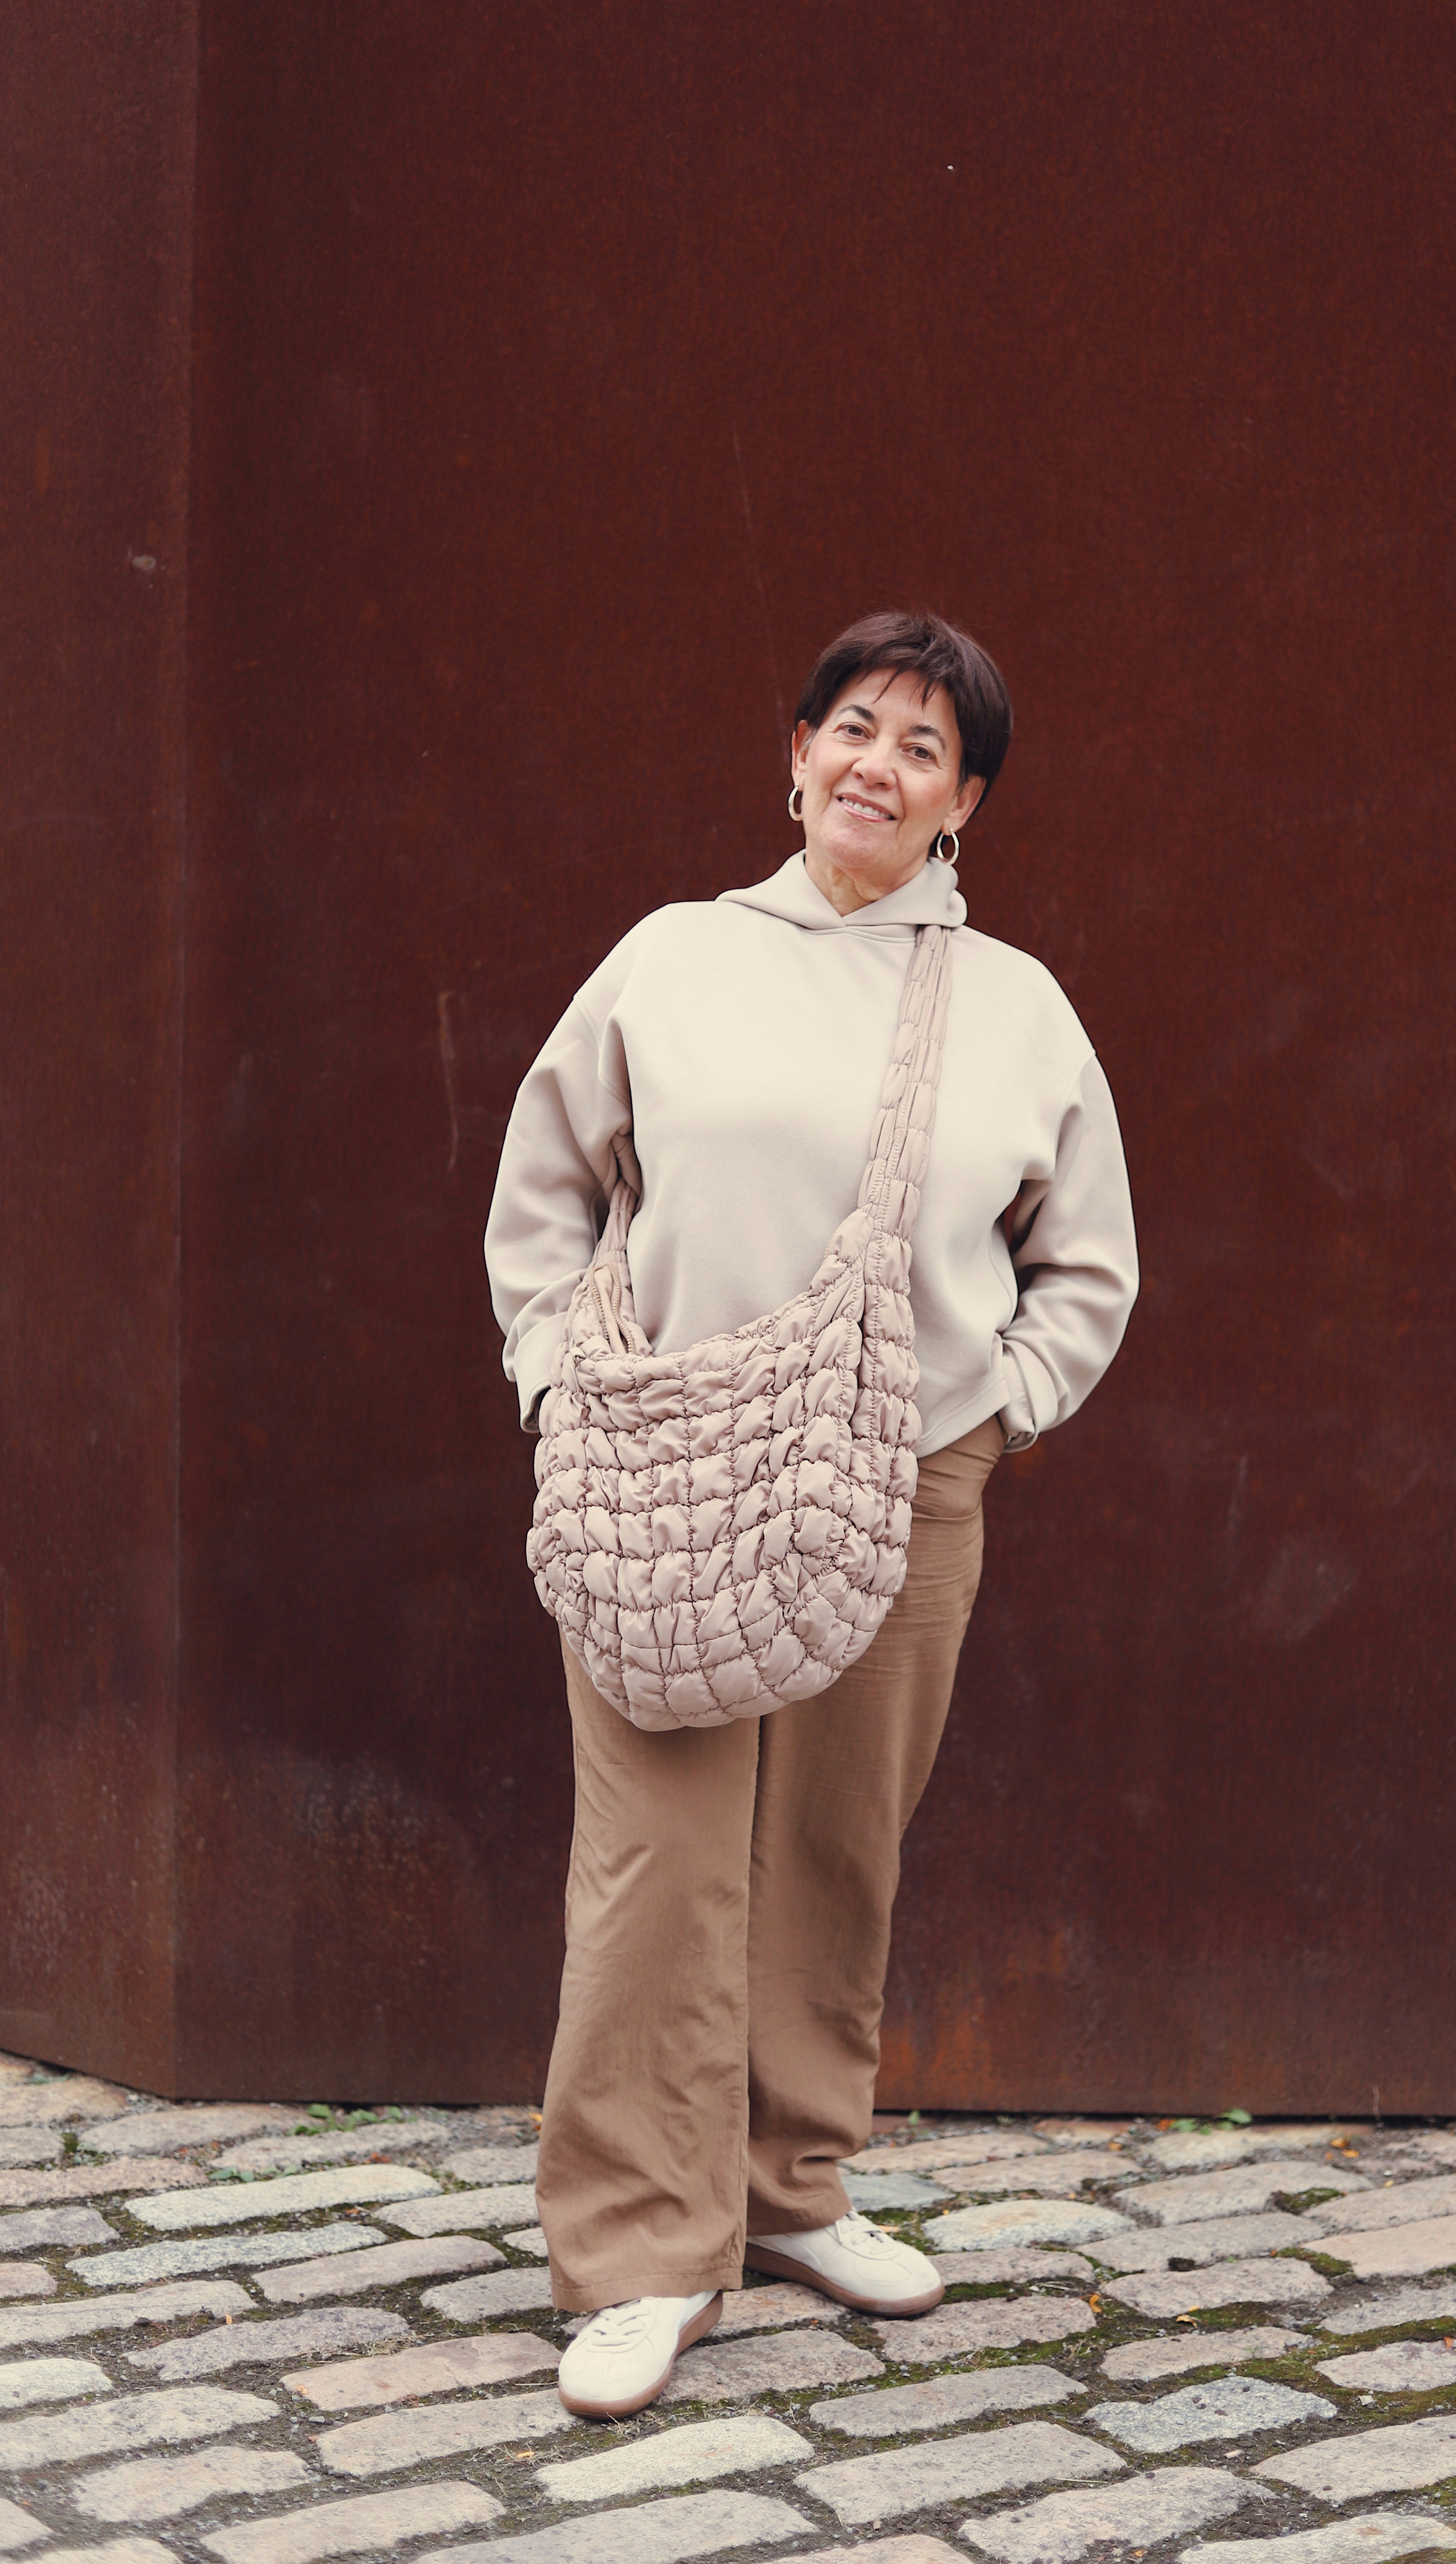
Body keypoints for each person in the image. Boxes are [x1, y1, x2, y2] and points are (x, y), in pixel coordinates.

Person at [485, 610, 1138, 2418]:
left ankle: (787, 2191)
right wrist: (555, 1384)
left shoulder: (1014, 1008)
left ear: (963, 802)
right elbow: (545, 1188)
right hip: (665, 1475)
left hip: (905, 1483)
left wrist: (994, 1415)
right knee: (657, 1861)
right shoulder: (672, 959)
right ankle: (642, 2249)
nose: (879, 765)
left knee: (837, 1847)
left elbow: (1085, 1260)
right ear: (795, 755)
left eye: (925, 747)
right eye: (854, 726)